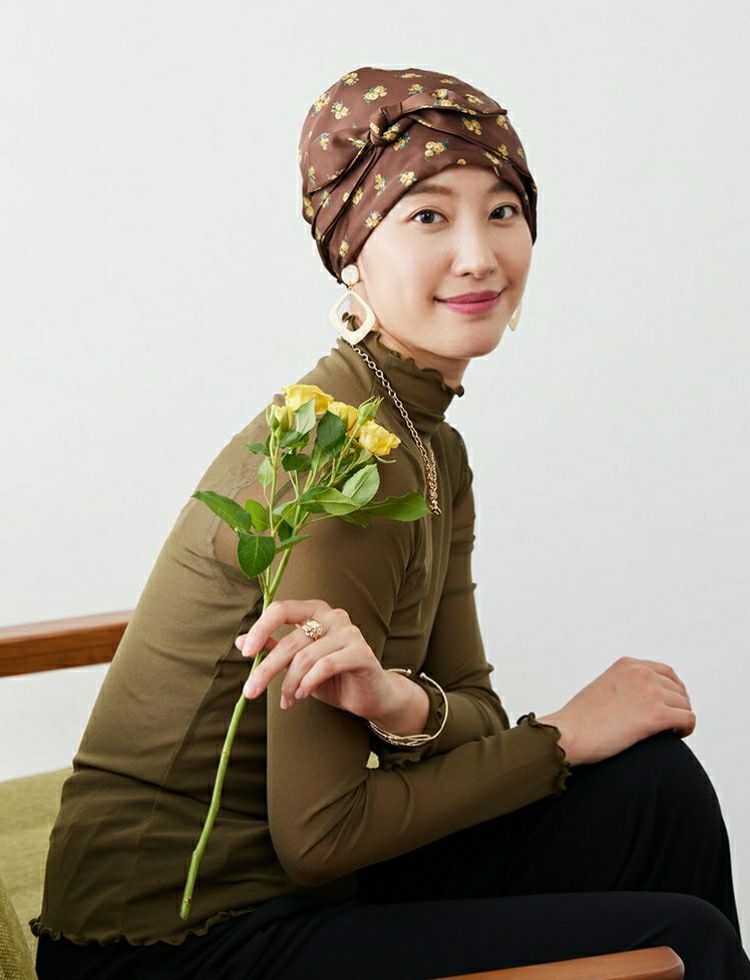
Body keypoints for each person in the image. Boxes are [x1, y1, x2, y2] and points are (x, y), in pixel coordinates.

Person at [31, 65, 749, 979]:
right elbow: (322, 835)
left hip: (309, 884)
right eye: (428, 216)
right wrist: (565, 735)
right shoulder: (342, 458)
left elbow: (474, 703)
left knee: (656, 791)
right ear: (352, 253)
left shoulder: (429, 443)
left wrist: (402, 704)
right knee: (688, 939)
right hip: (181, 938)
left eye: (502, 210)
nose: (479, 256)